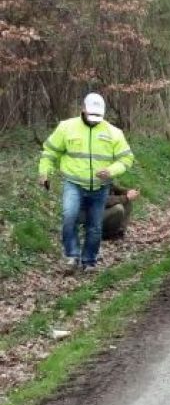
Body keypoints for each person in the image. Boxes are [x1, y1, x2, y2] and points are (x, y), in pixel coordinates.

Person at [37, 93, 135, 274]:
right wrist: (44, 172)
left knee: (95, 225)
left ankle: (89, 261)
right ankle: (72, 256)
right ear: (83, 109)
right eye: (92, 114)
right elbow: (49, 152)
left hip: (100, 187)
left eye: (98, 116)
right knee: (69, 216)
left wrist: (111, 170)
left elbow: (126, 159)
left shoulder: (114, 133)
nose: (94, 119)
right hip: (73, 183)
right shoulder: (66, 127)